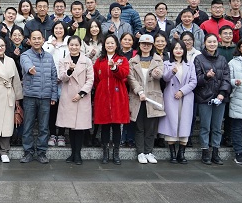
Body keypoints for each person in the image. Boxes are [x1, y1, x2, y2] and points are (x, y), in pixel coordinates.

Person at [19, 30, 58, 164]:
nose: (36, 41)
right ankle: (28, 152)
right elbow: (26, 64)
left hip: (45, 97)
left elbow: (53, 77)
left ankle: (41, 152)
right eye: (34, 38)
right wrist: (30, 69)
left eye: (39, 38)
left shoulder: (49, 57)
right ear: (29, 41)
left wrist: (53, 95)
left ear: (43, 40)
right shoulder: (25, 55)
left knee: (43, 127)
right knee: (28, 126)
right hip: (30, 96)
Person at [157, 40, 197, 164]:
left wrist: (182, 91)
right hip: (171, 96)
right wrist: (172, 72)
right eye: (176, 48)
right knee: (171, 122)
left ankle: (182, 153)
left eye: (181, 48)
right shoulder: (167, 64)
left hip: (185, 97)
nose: (178, 50)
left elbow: (193, 81)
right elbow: (165, 78)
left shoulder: (190, 64)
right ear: (172, 50)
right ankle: (173, 153)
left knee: (184, 122)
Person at [128, 34, 166, 164]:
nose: (146, 46)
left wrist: (157, 74)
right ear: (139, 45)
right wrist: (139, 91)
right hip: (138, 98)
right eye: (143, 43)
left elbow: (161, 74)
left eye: (148, 44)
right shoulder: (133, 61)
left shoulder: (158, 60)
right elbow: (131, 78)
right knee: (139, 127)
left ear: (152, 46)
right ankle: (140, 152)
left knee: (151, 127)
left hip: (153, 97)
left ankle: (149, 151)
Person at [194, 33, 231, 165]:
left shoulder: (222, 59)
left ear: (217, 42)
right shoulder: (198, 59)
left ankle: (215, 151)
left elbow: (226, 78)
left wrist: (222, 93)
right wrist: (206, 76)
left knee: (217, 127)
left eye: (214, 42)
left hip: (220, 98)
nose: (212, 44)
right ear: (205, 43)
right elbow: (196, 79)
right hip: (204, 97)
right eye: (209, 42)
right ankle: (205, 151)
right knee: (205, 126)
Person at [93, 34, 130, 164]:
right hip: (103, 95)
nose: (110, 45)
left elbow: (124, 74)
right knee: (104, 125)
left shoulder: (122, 59)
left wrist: (114, 68)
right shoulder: (99, 60)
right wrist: (101, 89)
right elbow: (96, 79)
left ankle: (116, 153)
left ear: (116, 45)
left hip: (117, 95)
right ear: (104, 45)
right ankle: (105, 153)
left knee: (116, 125)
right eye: (107, 43)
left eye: (112, 43)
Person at [57, 35, 94, 165]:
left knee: (79, 127)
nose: (74, 47)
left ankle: (77, 154)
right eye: (71, 45)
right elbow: (62, 77)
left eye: (76, 45)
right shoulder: (63, 61)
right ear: (68, 46)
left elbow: (90, 79)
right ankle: (73, 153)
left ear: (80, 46)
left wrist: (81, 93)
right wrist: (70, 70)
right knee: (71, 127)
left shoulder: (87, 61)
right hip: (68, 97)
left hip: (82, 97)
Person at [42, 21, 69, 147]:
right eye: (56, 28)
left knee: (63, 109)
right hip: (50, 82)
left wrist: (63, 76)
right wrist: (52, 46)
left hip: (65, 81)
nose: (58, 30)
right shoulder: (47, 43)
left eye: (61, 28)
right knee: (52, 109)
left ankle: (61, 135)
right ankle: (52, 134)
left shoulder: (68, 43)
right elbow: (43, 59)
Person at [217, 25, 237, 147]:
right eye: (225, 33)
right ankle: (216, 136)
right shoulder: (215, 48)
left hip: (233, 84)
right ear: (219, 35)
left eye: (230, 33)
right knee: (218, 113)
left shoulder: (237, 49)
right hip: (218, 84)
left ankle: (228, 136)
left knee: (230, 113)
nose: (228, 35)